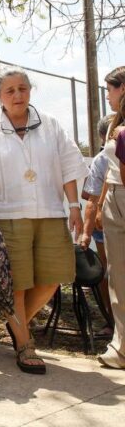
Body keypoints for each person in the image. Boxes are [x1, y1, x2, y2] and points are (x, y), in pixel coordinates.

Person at [0, 67, 87, 375]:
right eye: (9, 91)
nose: (17, 95)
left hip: (49, 211)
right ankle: (24, 343)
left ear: (30, 91)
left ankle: (16, 325)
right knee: (16, 285)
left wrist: (74, 205)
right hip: (4, 214)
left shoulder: (50, 125)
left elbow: (69, 164)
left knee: (52, 278)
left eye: (22, 89)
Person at [84, 67, 125, 369]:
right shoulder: (115, 125)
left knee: (120, 278)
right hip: (113, 196)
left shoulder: (120, 130)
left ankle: (121, 349)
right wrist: (99, 206)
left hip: (120, 195)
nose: (107, 95)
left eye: (110, 89)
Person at [79, 114, 115, 336]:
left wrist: (86, 231)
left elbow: (88, 195)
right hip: (107, 224)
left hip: (105, 225)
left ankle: (111, 321)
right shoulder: (103, 159)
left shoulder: (102, 158)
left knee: (108, 274)